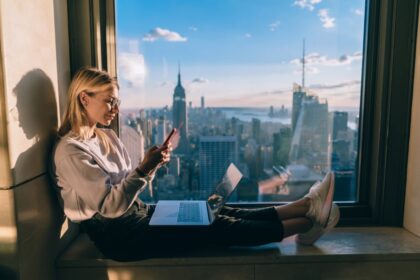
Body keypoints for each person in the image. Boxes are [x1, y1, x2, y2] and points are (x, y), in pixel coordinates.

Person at [51, 67, 340, 261]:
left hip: (137, 214)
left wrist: (149, 167)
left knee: (211, 209)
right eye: (109, 101)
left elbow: (128, 188)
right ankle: (309, 223)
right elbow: (110, 206)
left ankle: (305, 205)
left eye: (117, 102)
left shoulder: (107, 137)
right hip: (119, 236)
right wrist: (143, 169)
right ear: (84, 98)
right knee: (215, 226)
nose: (116, 109)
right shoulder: (71, 151)